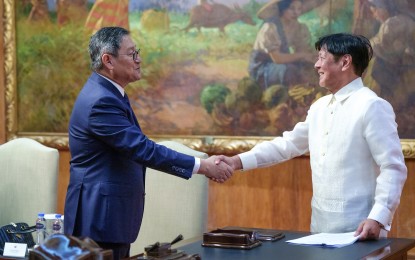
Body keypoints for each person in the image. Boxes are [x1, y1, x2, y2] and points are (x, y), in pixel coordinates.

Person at [63, 26, 233, 260]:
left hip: (107, 218)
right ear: (108, 61)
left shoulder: (109, 92)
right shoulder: (100, 101)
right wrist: (202, 166)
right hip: (98, 220)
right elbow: (141, 148)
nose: (139, 59)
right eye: (132, 54)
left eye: (137, 52)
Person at [218, 33, 407, 240]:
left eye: (322, 58)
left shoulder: (372, 106)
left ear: (345, 62)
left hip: (361, 231)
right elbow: (287, 145)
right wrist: (236, 161)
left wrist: (378, 218)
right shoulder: (319, 107)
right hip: (318, 229)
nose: (316, 65)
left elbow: (393, 167)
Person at [248, 0, 325, 89]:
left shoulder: (298, 27)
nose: (296, 12)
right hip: (264, 67)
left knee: (312, 67)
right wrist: (303, 55)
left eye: (299, 9)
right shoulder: (270, 27)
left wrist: (312, 57)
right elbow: (277, 59)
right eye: (291, 8)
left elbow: (302, 50)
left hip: (284, 62)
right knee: (291, 71)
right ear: (282, 9)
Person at [366, 0, 415, 113]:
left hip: (408, 70)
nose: (375, 15)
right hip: (405, 64)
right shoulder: (401, 19)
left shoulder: (395, 23)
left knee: (377, 64)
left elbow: (382, 46)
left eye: (376, 10)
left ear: (385, 8)